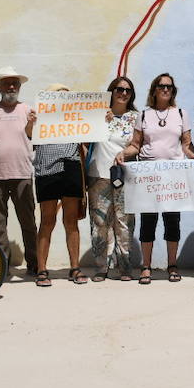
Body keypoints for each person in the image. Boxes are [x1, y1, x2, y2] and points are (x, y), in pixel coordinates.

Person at [119, 73, 194, 285]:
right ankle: (146, 266)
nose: (166, 89)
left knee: (172, 221)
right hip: (148, 174)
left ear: (173, 91)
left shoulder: (182, 114)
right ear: (154, 89)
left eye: (170, 87)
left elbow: (186, 144)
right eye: (162, 86)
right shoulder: (143, 116)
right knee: (148, 221)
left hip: (173, 174)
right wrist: (123, 154)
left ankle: (172, 265)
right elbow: (135, 145)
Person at [0, 66, 39, 277]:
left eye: (15, 83)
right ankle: (1, 266)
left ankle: (35, 263)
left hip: (22, 173)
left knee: (28, 222)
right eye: (7, 83)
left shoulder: (28, 111)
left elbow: (34, 138)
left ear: (19, 87)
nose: (11, 87)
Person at [32, 84, 88, 287]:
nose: (63, 99)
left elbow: (90, 135)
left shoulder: (77, 118)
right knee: (47, 221)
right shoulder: (39, 116)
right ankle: (42, 269)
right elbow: (30, 134)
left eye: (66, 96)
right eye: (59, 96)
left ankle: (75, 267)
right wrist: (31, 122)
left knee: (71, 221)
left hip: (70, 166)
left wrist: (102, 120)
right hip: (45, 170)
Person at [86, 75, 138, 282]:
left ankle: (124, 267)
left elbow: (138, 144)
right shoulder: (98, 114)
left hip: (125, 176)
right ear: (111, 92)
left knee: (124, 222)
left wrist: (125, 154)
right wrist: (97, 120)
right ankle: (101, 267)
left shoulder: (136, 117)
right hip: (97, 175)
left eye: (127, 90)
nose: (123, 93)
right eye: (119, 89)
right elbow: (83, 138)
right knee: (99, 221)